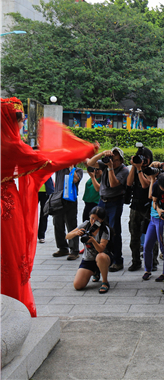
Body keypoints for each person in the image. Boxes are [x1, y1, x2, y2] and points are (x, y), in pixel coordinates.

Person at [1, 97, 97, 316]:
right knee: (10, 256)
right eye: (20, 120)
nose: (21, 125)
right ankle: (12, 309)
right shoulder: (11, 146)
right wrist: (85, 150)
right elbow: (47, 161)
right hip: (5, 207)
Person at [87, 147, 130, 272]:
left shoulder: (124, 170)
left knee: (114, 231)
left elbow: (113, 184)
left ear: (121, 160)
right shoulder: (104, 164)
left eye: (116, 160)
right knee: (97, 228)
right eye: (111, 158)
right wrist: (102, 154)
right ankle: (103, 257)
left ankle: (117, 260)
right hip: (102, 201)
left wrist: (110, 167)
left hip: (115, 203)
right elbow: (89, 163)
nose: (113, 161)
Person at [67, 206, 114, 294]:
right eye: (92, 218)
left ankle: (105, 282)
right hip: (88, 259)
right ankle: (95, 272)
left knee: (101, 257)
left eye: (97, 220)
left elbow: (101, 249)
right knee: (78, 285)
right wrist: (76, 233)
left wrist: (93, 241)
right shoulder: (86, 224)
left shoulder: (105, 230)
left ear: (102, 220)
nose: (93, 221)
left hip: (103, 257)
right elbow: (67, 236)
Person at [126, 146, 153, 272]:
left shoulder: (151, 170)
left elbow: (145, 185)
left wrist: (139, 169)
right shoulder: (136, 168)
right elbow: (129, 183)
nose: (142, 160)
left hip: (148, 207)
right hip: (135, 206)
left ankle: (152, 261)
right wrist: (134, 166)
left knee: (151, 235)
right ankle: (136, 261)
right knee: (134, 235)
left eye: (144, 158)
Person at [51, 164, 84, 260]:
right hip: (57, 199)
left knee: (71, 225)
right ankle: (63, 248)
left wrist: (71, 169)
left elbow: (75, 180)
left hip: (70, 201)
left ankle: (74, 250)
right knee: (57, 223)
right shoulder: (60, 169)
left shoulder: (78, 170)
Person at [37, 176, 54, 243]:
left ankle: (41, 235)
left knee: (44, 214)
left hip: (46, 191)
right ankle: (30, 234)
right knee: (31, 215)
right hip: (34, 190)